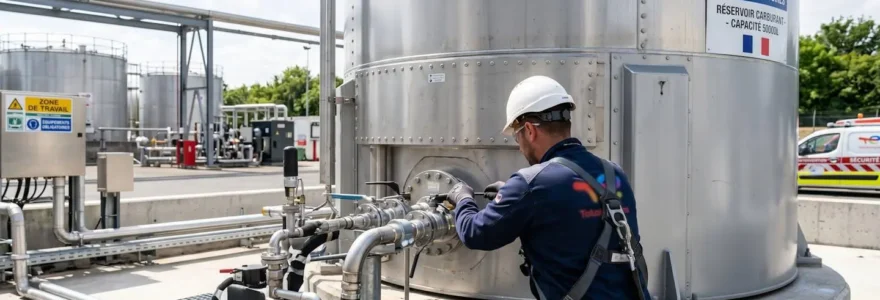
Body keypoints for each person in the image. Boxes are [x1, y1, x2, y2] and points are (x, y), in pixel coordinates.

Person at [445, 76, 651, 300]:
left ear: (530, 130)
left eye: (517, 136)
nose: (520, 145)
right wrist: (512, 195)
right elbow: (575, 212)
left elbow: (476, 234)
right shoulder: (614, 174)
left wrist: (463, 198)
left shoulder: (531, 184)